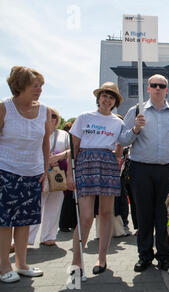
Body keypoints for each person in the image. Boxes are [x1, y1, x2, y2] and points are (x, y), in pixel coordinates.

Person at [120, 74, 169, 272]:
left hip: (168, 169)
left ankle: (164, 256)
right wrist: (135, 129)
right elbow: (123, 140)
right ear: (148, 88)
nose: (158, 88)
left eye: (162, 85)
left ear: (167, 89)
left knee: (164, 215)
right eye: (154, 85)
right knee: (143, 215)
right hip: (141, 168)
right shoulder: (136, 111)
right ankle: (144, 255)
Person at [0, 66, 51, 283]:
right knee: (5, 222)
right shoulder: (4, 108)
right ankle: (4, 266)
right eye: (35, 85)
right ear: (20, 86)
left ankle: (21, 264)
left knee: (25, 221)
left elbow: (45, 142)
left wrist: (45, 168)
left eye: (41, 85)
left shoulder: (45, 111)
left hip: (33, 173)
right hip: (6, 171)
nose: (39, 89)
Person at [69, 81, 126, 276]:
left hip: (108, 162)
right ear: (98, 97)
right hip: (86, 162)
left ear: (115, 101)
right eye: (104, 95)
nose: (107, 99)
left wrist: (112, 157)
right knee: (85, 217)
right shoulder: (84, 117)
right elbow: (74, 147)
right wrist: (70, 174)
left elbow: (120, 148)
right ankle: (77, 261)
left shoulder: (118, 122)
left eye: (111, 97)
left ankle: (102, 257)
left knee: (106, 213)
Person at [28, 107, 72, 246]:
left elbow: (72, 149)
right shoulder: (36, 133)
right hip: (38, 172)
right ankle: (27, 238)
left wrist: (59, 156)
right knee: (35, 206)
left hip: (57, 173)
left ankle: (48, 236)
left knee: (55, 205)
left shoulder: (63, 134)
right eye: (47, 116)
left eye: (53, 116)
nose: (50, 118)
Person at [59, 121, 77, 232]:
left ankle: (68, 223)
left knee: (69, 198)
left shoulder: (71, 136)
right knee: (70, 198)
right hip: (71, 168)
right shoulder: (72, 137)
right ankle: (68, 223)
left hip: (71, 168)